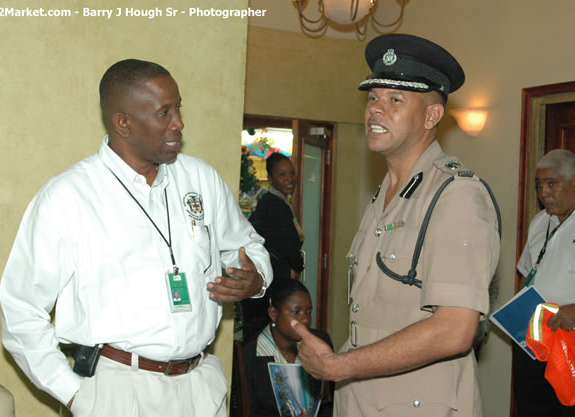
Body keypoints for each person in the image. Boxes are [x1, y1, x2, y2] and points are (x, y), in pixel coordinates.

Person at [0, 59, 272, 417]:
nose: (179, 123)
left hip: (199, 387)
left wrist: (255, 279)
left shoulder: (200, 179)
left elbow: (248, 247)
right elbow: (20, 308)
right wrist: (76, 394)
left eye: (178, 108)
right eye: (164, 113)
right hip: (117, 390)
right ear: (123, 123)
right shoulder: (69, 196)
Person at [291, 34, 501, 417]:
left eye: (395, 100)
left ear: (431, 116)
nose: (375, 110)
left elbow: (455, 329)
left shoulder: (455, 196)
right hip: (363, 399)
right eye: (373, 98)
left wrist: (339, 366)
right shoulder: (387, 195)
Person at [513, 148, 574, 416]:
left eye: (552, 184)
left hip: (569, 344)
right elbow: (528, 273)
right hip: (533, 341)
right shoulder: (540, 222)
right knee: (531, 407)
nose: (544, 193)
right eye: (539, 185)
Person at [243, 280, 333, 417]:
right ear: (273, 313)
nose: (305, 320)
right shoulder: (250, 353)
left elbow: (329, 402)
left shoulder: (320, 342)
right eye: (296, 312)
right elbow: (248, 411)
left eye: (309, 312)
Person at [241, 153, 305, 339]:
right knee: (263, 336)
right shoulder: (275, 206)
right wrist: (296, 266)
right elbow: (288, 244)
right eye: (282, 175)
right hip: (269, 283)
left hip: (266, 281)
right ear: (270, 178)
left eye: (292, 173)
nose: (289, 179)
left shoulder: (272, 202)